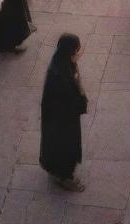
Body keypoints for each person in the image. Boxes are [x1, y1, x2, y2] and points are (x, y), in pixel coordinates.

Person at [40, 34, 88, 191]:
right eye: (76, 51)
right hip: (64, 119)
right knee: (66, 146)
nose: (77, 54)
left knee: (55, 144)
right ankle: (64, 176)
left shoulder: (61, 63)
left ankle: (56, 169)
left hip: (57, 117)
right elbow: (74, 96)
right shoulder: (61, 75)